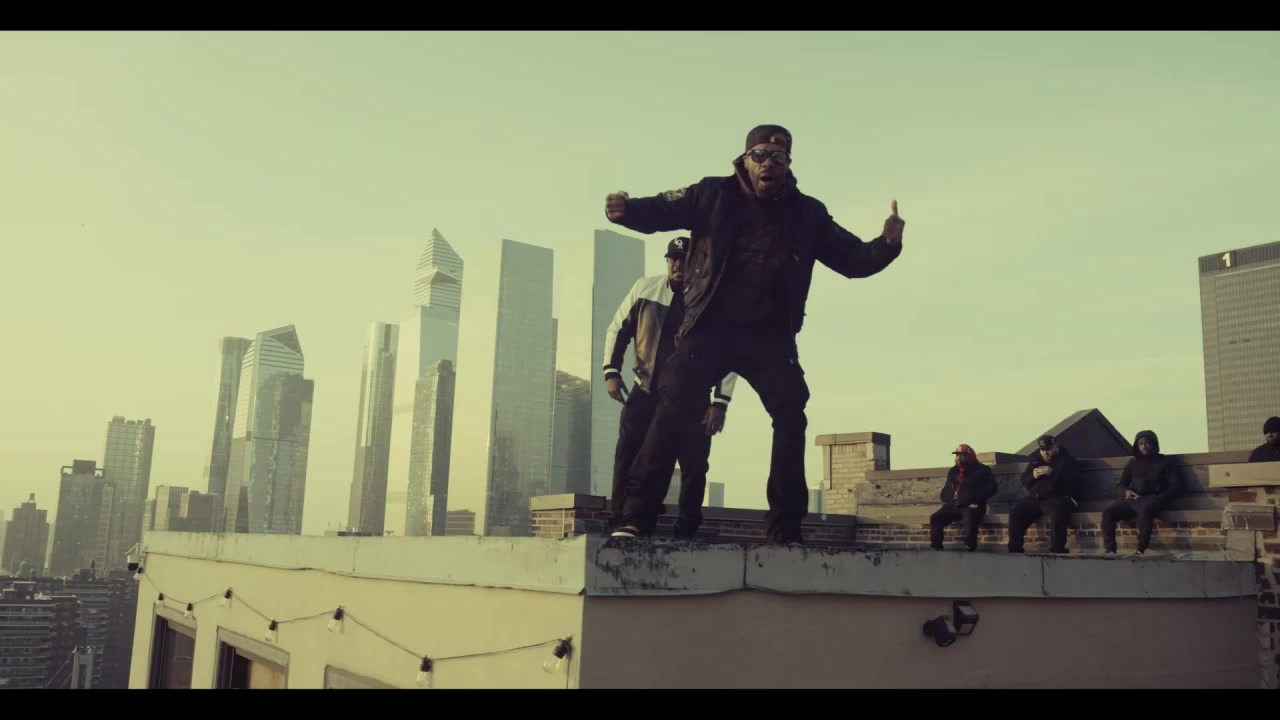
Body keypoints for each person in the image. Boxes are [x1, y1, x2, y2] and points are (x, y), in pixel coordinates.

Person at [603, 124, 905, 542]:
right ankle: (636, 517)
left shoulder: (807, 214)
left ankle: (785, 526)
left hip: (769, 334)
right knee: (672, 407)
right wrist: (627, 210)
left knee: (791, 413)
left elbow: (852, 258)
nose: (768, 164)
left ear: (788, 165)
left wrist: (887, 244)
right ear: (745, 160)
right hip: (708, 327)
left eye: (777, 158)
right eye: (759, 155)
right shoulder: (712, 194)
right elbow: (663, 209)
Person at [602, 237, 738, 539]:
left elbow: (728, 352)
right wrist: (611, 372)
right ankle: (622, 520)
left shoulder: (711, 297)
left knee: (694, 463)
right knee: (628, 452)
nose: (677, 265)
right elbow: (618, 329)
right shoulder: (645, 288)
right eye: (672, 259)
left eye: (684, 259)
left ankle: (687, 528)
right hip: (645, 389)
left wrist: (720, 402)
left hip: (693, 397)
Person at [1101, 430, 1181, 555]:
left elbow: (1176, 486)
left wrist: (1159, 498)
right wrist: (1126, 491)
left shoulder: (1165, 461)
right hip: (1132, 499)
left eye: (1147, 443)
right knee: (1108, 513)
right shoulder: (1132, 463)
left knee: (1145, 511)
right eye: (1141, 444)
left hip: (1153, 498)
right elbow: (1121, 484)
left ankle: (1140, 550)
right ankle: (1110, 550)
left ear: (1154, 444)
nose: (1144, 446)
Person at [1008, 435, 1080, 554]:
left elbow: (1073, 483)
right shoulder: (1036, 461)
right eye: (1043, 450)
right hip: (1036, 498)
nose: (1046, 453)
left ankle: (1057, 549)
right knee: (1016, 510)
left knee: (1057, 511)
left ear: (1056, 446)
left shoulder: (1068, 461)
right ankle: (1015, 548)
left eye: (1049, 449)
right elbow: (1024, 480)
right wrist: (1033, 475)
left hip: (1059, 496)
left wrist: (1052, 474)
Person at [930, 444, 997, 552]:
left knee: (970, 516)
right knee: (936, 518)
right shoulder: (953, 471)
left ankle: (970, 545)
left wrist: (974, 498)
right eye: (957, 455)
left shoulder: (982, 470)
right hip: (954, 504)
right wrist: (949, 499)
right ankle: (936, 546)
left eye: (962, 455)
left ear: (970, 456)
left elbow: (992, 488)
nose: (959, 458)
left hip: (972, 504)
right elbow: (947, 488)